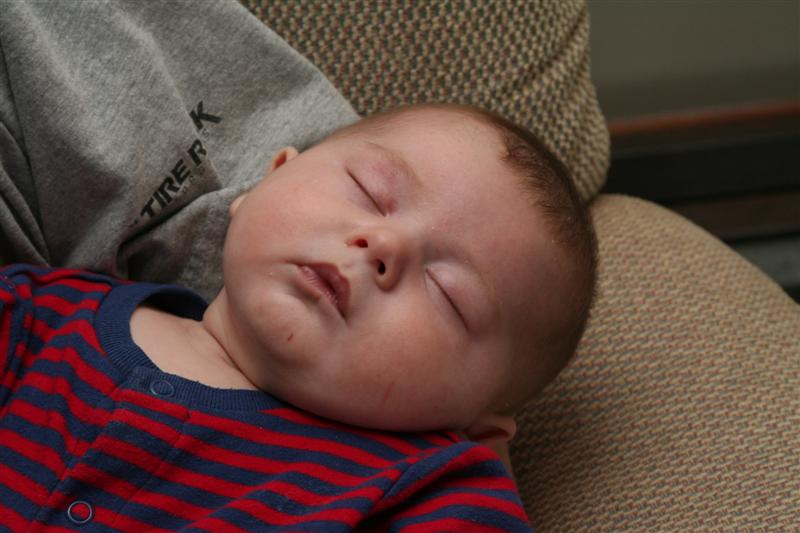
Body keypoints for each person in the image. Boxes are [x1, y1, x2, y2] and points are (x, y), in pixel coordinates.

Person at [0, 102, 596, 531]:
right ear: (270, 179)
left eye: (447, 292)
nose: (382, 245)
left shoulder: (429, 488)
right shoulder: (39, 313)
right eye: (369, 190)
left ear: (479, 430)